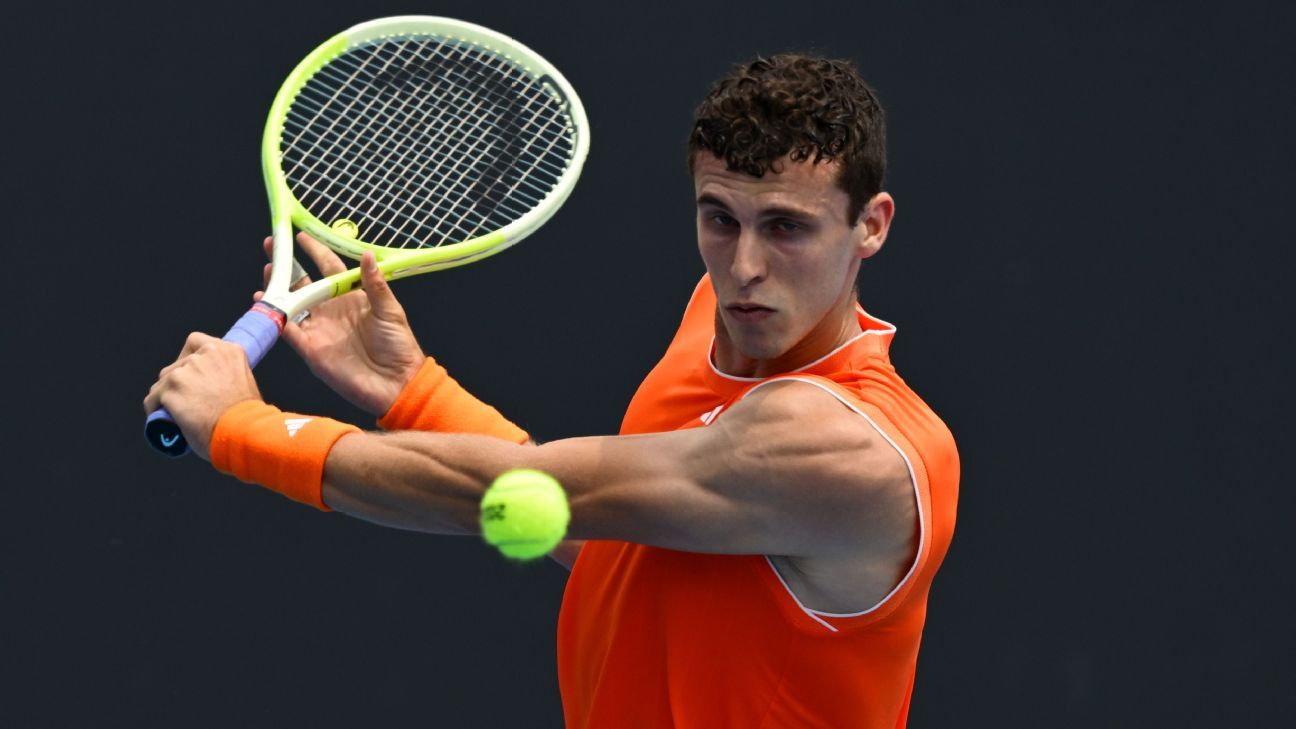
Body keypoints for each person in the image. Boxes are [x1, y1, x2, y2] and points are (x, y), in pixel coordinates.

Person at [144, 53, 959, 728]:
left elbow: (520, 491)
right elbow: (612, 539)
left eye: (786, 227)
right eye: (719, 218)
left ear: (872, 224)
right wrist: (415, 390)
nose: (743, 267)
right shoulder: (717, 314)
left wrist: (244, 429)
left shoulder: (850, 449)